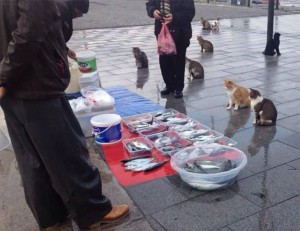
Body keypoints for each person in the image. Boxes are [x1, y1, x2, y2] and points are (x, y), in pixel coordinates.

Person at [0, 0, 129, 230]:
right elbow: (30, 29)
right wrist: (5, 76)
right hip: (36, 82)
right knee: (68, 152)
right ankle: (93, 212)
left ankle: (51, 217)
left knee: (32, 159)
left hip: (12, 88)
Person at [146, 0, 195, 99]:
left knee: (178, 61)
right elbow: (149, 4)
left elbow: (190, 13)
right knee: (164, 61)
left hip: (180, 33)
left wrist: (174, 17)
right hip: (162, 32)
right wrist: (153, 11)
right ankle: (169, 85)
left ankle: (178, 88)